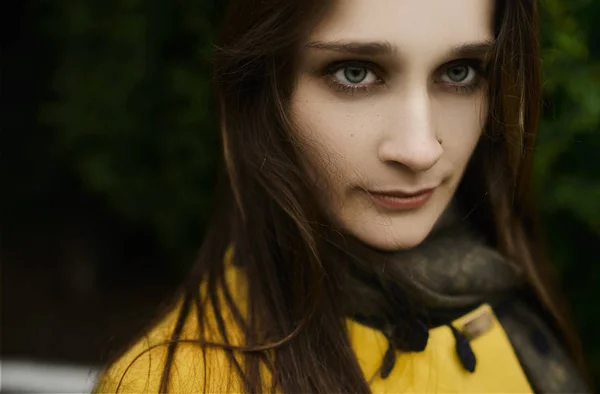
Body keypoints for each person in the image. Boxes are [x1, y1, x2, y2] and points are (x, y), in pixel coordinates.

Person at [94, 0, 590, 392]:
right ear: (263, 94)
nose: (419, 150)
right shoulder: (176, 383)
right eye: (356, 72)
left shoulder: (498, 300)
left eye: (459, 71)